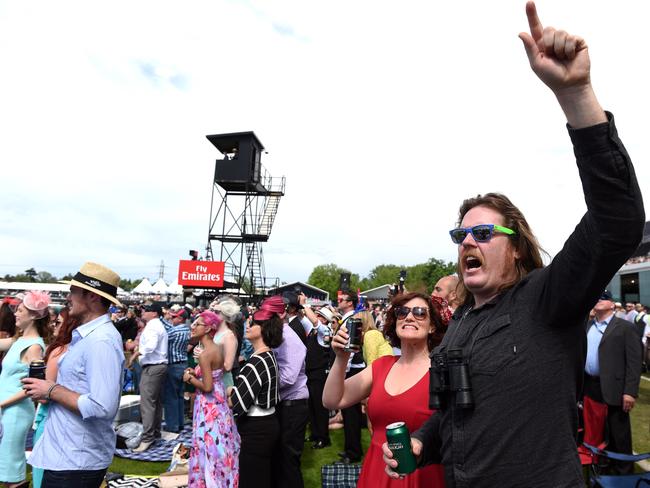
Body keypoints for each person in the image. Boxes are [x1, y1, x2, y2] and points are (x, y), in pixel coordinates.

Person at [382, 3, 645, 486]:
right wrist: (423, 439)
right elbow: (456, 412)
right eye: (461, 235)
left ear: (517, 247)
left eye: (483, 233)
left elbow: (617, 218)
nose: (468, 242)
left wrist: (576, 94)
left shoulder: (547, 298)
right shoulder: (460, 322)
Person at [325, 292, 449, 488]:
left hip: (422, 475)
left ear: (432, 326)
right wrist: (341, 358)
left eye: (419, 312)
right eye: (402, 312)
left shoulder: (442, 371)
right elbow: (332, 400)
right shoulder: (382, 366)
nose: (409, 317)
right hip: (376, 471)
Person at [23, 262, 125, 488]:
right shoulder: (89, 337)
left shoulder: (101, 341)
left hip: (77, 461)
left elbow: (102, 406)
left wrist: (51, 390)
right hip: (68, 456)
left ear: (92, 297)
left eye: (73, 291)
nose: (68, 297)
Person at [228, 296, 284, 488]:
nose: (248, 326)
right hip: (268, 424)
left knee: (252, 480)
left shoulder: (256, 362)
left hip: (257, 429)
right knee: (262, 477)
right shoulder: (269, 355)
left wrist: (230, 392)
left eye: (253, 323)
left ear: (263, 329)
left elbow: (237, 403)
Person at [584, 291, 642, 474]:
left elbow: (634, 361)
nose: (598, 301)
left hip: (615, 388)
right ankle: (603, 465)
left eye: (603, 298)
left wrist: (630, 391)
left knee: (619, 433)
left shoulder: (625, 327)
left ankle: (624, 472)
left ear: (612, 304)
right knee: (598, 430)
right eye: (597, 298)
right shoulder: (588, 326)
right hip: (590, 386)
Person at [183, 311, 240, 488]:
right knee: (220, 444)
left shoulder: (205, 353)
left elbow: (207, 386)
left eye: (197, 324)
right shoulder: (215, 348)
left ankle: (210, 482)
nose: (193, 326)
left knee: (209, 445)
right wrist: (197, 372)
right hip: (219, 403)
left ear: (208, 328)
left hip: (209, 407)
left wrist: (190, 379)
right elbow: (217, 372)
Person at [0, 291, 49, 488]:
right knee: (5, 466)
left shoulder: (35, 347)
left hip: (15, 412)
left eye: (20, 310)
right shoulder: (18, 341)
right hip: (6, 409)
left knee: (12, 468)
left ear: (34, 315)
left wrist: (1, 403)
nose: (16, 314)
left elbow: (32, 387)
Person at [31, 307, 81, 488]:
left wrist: (34, 386)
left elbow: (45, 396)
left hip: (50, 417)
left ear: (69, 325)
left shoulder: (59, 351)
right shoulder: (80, 350)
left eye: (58, 322)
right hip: (72, 419)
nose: (54, 325)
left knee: (43, 473)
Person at [271, 300, 309, 488]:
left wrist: (261, 387)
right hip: (286, 403)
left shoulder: (289, 337)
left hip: (293, 405)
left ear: (279, 315)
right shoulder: (279, 335)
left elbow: (288, 377)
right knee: (282, 458)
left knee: (289, 460)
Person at [133, 303, 169, 452]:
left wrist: (136, 353)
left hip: (153, 367)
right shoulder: (155, 324)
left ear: (154, 313)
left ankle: (148, 438)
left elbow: (151, 346)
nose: (143, 312)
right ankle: (155, 434)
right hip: (157, 366)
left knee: (147, 404)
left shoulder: (154, 326)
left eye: (147, 310)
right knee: (155, 403)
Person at [163, 308, 191, 433]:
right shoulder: (186, 329)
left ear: (180, 319)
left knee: (171, 397)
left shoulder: (175, 331)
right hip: (183, 364)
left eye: (174, 317)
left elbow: (165, 334)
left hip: (173, 365)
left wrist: (163, 318)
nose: (172, 319)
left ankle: (172, 426)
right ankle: (180, 424)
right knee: (179, 395)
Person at [211, 298, 240, 388]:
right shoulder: (215, 331)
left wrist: (206, 358)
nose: (212, 314)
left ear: (225, 315)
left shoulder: (229, 336)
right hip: (212, 380)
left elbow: (228, 366)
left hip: (222, 383)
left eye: (216, 312)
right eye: (212, 311)